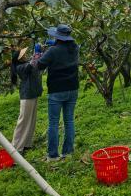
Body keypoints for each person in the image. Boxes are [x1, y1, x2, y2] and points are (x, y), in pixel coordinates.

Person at [38, 24, 80, 161]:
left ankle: (53, 155)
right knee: (69, 120)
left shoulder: (53, 50)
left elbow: (40, 65)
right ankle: (68, 151)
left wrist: (41, 53)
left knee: (54, 123)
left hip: (57, 89)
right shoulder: (75, 48)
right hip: (72, 87)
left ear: (57, 37)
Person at [11, 46, 43, 154]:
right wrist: (36, 54)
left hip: (33, 94)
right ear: (19, 59)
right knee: (23, 120)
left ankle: (26, 144)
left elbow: (36, 63)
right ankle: (16, 147)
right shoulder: (20, 67)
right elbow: (31, 65)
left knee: (31, 120)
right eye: (23, 55)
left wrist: (41, 52)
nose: (25, 55)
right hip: (27, 95)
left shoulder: (25, 63)